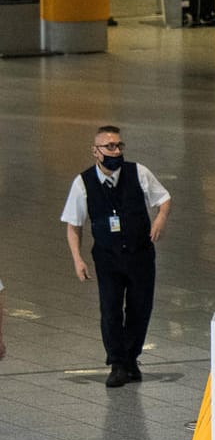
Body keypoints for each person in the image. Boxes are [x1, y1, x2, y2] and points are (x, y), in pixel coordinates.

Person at [61, 126, 171, 388]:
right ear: (95, 151)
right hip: (107, 257)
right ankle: (118, 363)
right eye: (109, 147)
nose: (115, 151)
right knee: (110, 309)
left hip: (140, 255)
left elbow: (164, 198)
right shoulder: (83, 183)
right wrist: (77, 259)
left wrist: (160, 219)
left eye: (119, 146)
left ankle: (131, 357)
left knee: (140, 308)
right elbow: (73, 225)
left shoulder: (138, 172)